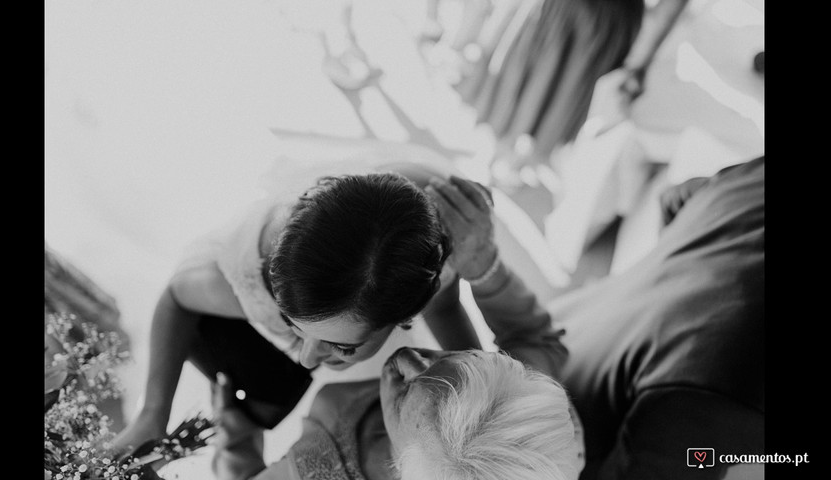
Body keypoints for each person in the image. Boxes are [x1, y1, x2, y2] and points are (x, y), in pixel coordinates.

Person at [209, 175, 585, 480]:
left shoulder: (314, 468)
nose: (405, 356)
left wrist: (235, 432)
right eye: (461, 367)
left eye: (406, 397)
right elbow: (537, 341)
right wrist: (484, 267)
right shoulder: (539, 429)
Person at [110, 162, 484, 459]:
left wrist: (483, 392)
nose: (307, 359)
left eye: (344, 347)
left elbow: (446, 310)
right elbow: (175, 296)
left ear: (407, 315)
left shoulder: (438, 255)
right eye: (292, 323)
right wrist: (153, 414)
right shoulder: (252, 275)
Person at [553, 157, 764, 479]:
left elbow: (678, 197)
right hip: (553, 443)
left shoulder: (756, 175)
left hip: (566, 331)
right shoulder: (717, 398)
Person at [439, 0, 689, 183]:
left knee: (540, 77)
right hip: (605, 19)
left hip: (597, 17)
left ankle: (508, 154)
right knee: (549, 83)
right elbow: (668, 9)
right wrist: (638, 62)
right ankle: (510, 156)